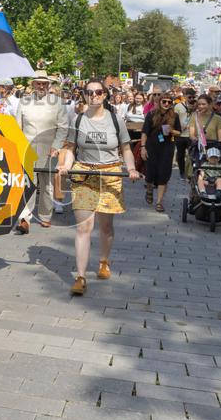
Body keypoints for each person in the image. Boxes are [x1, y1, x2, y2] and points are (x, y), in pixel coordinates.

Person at [58, 78, 140, 293]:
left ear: (105, 95)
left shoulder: (116, 120)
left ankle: (104, 260)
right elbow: (70, 147)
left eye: (98, 92)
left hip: (110, 174)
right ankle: (81, 276)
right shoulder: (77, 120)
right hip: (84, 174)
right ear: (84, 95)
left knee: (105, 226)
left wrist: (131, 168)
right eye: (89, 92)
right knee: (84, 227)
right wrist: (65, 166)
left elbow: (126, 149)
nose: (94, 96)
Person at [15, 70, 69, 233]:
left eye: (44, 83)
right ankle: (24, 218)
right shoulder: (24, 102)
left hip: (49, 149)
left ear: (48, 85)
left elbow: (63, 127)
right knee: (28, 184)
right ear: (33, 85)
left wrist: (57, 145)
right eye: (38, 83)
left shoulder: (57, 103)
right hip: (28, 148)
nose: (41, 86)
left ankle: (45, 216)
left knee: (47, 185)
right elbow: (18, 127)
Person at [140, 93, 181, 212]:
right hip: (152, 146)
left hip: (167, 147)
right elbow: (144, 132)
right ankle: (149, 189)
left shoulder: (175, 116)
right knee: (150, 173)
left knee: (164, 174)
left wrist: (172, 130)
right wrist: (143, 147)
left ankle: (159, 202)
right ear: (159, 102)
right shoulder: (151, 114)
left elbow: (179, 132)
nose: (167, 104)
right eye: (164, 101)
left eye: (169, 102)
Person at [187, 94, 221, 179]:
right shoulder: (195, 116)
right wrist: (197, 140)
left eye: (204, 104)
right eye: (199, 104)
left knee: (213, 176)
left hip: (213, 150)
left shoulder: (217, 118)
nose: (201, 106)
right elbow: (191, 135)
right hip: (198, 149)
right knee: (195, 177)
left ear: (210, 104)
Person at [174, 87, 196, 180]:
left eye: (192, 97)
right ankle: (182, 172)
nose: (191, 99)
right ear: (185, 96)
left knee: (191, 155)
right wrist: (178, 128)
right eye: (189, 97)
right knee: (180, 155)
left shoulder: (196, 106)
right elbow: (174, 119)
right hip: (180, 134)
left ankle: (190, 172)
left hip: (191, 134)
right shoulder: (178, 106)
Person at [125, 92, 147, 173]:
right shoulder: (130, 106)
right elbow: (126, 116)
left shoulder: (144, 106)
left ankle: (140, 166)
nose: (138, 100)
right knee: (131, 149)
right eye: (137, 98)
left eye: (140, 98)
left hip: (141, 131)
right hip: (130, 130)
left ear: (143, 99)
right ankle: (133, 165)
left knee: (139, 148)